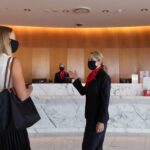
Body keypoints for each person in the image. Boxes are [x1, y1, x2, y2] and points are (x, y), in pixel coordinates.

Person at [69, 51, 111, 150]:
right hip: (90, 117)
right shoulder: (92, 76)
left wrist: (101, 121)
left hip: (98, 119)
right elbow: (83, 91)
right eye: (88, 60)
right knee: (96, 147)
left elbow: (105, 101)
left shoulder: (104, 77)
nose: (89, 62)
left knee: (88, 147)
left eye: (92, 60)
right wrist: (75, 79)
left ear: (99, 61)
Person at [0, 26, 33, 150]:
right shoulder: (12, 62)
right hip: (9, 121)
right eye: (14, 39)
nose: (16, 42)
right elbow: (22, 96)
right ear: (5, 41)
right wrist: (31, 89)